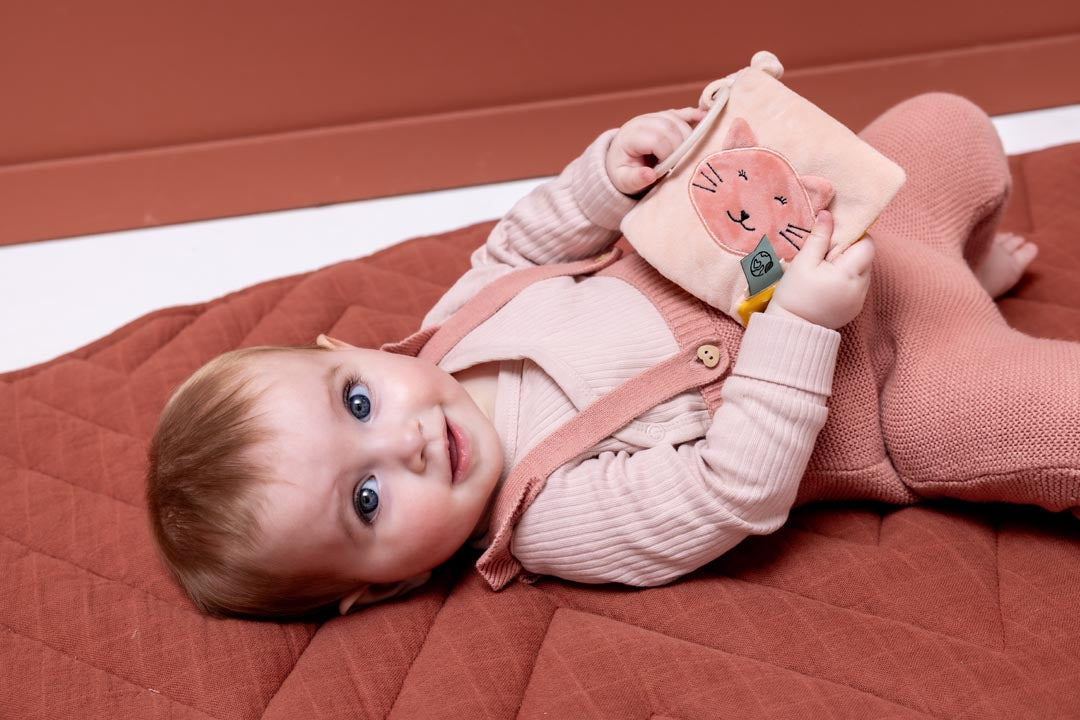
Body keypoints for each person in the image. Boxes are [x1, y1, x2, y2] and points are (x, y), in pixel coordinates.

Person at [146, 93, 1057, 620]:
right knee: (1043, 421)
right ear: (387, 587)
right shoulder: (548, 517)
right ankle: (971, 317)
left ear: (344, 349)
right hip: (893, 390)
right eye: (367, 500)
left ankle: (961, 268)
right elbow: (728, 492)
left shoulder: (453, 325)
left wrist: (606, 177)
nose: (404, 443)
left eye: (357, 404)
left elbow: (517, 245)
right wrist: (803, 324)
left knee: (946, 124)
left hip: (869, 248)